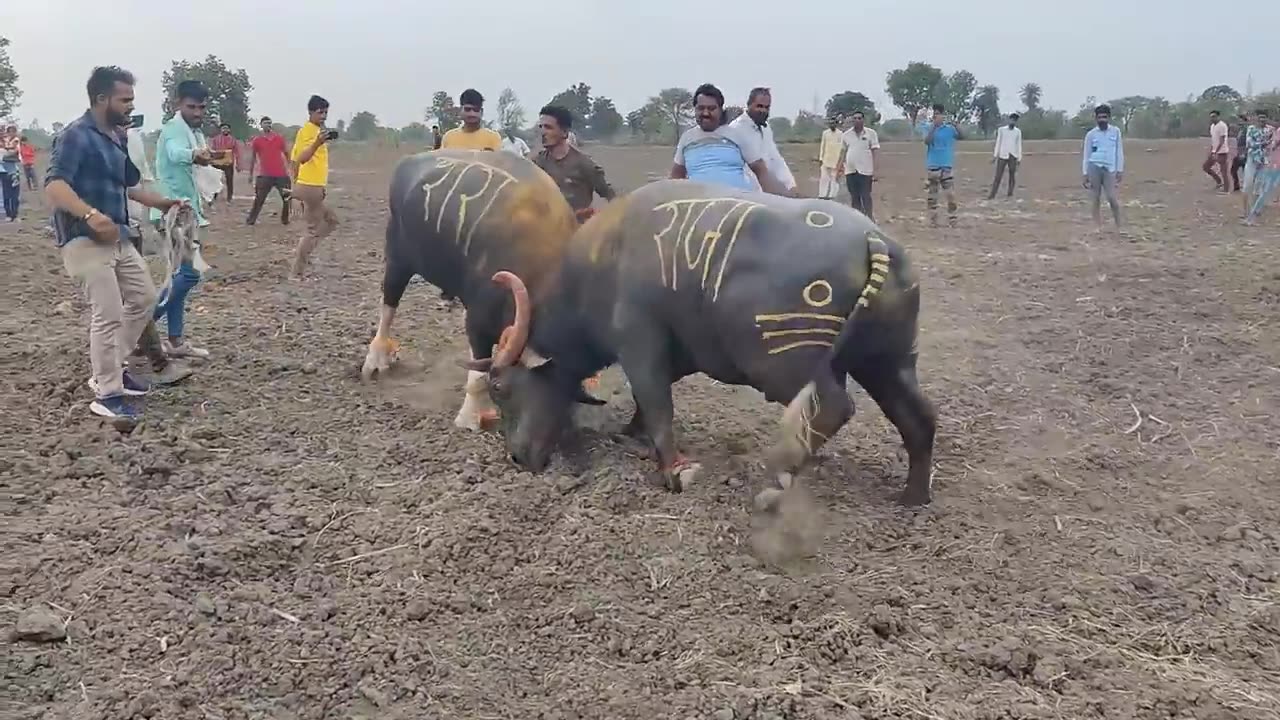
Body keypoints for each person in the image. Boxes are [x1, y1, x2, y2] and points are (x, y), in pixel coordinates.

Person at [45, 66, 186, 419]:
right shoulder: (75, 135)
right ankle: (107, 394)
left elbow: (125, 186)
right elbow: (54, 186)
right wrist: (91, 216)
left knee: (144, 298)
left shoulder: (116, 135)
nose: (130, 106)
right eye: (125, 99)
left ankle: (109, 368)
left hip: (118, 235)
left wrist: (161, 202)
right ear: (101, 99)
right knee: (107, 313)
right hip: (84, 237)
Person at [123, 113, 195, 387]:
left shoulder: (128, 140)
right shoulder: (97, 143)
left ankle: (152, 355)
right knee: (131, 299)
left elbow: (133, 187)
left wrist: (163, 204)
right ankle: (145, 364)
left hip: (129, 225)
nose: (129, 114)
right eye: (123, 103)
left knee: (137, 296)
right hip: (105, 231)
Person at [152, 79, 214, 359]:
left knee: (180, 277)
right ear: (178, 105)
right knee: (188, 275)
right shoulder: (174, 129)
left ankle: (175, 342)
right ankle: (140, 325)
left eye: (201, 107)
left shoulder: (192, 132)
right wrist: (194, 155)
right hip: (172, 213)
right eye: (191, 107)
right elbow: (176, 154)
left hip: (186, 213)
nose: (197, 112)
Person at [670, 83, 788, 195]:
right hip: (701, 207)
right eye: (701, 108)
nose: (705, 113)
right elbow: (675, 178)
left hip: (736, 206)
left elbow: (761, 172)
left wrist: (782, 200)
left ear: (720, 110)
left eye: (711, 108)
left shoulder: (736, 134)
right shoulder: (687, 139)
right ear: (695, 110)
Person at [533, 104, 615, 223]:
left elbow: (610, 194)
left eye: (548, 127)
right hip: (546, 232)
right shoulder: (537, 163)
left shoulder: (584, 164)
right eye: (540, 127)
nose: (542, 132)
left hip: (578, 233)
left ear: (564, 132)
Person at [289, 94, 340, 279]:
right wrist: (317, 143)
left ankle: (305, 255)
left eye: (326, 112)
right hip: (310, 187)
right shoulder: (308, 132)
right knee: (313, 230)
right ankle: (297, 270)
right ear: (310, 112)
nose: (324, 116)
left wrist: (295, 186)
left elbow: (294, 161)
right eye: (320, 112)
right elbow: (301, 158)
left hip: (312, 186)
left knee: (331, 221)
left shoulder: (316, 131)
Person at [730, 87, 797, 195]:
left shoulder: (766, 128)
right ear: (749, 104)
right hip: (748, 193)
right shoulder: (736, 129)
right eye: (759, 106)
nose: (763, 111)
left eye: (767, 107)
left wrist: (790, 185)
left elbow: (776, 159)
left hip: (769, 190)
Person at [1082, 103, 1124, 230]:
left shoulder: (1115, 132)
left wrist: (1120, 169)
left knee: (1112, 198)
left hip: (1110, 169)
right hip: (1094, 167)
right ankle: (1097, 226)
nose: (1102, 120)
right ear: (1096, 118)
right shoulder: (1091, 134)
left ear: (1109, 118)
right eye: (1099, 117)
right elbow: (1086, 154)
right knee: (1095, 198)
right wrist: (1085, 173)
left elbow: (1119, 151)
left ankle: (1119, 226)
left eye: (1104, 117)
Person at [246, 115, 292, 225]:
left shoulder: (279, 138)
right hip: (265, 175)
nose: (268, 125)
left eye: (269, 123)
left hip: (280, 174)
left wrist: (290, 168)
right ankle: (251, 220)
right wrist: (250, 174)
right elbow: (253, 158)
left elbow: (286, 154)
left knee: (287, 197)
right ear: (261, 125)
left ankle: (285, 219)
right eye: (265, 123)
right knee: (259, 199)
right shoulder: (257, 141)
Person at [834, 110, 879, 220]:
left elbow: (874, 152)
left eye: (859, 118)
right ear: (852, 120)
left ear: (863, 120)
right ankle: (857, 219)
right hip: (850, 170)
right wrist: (838, 169)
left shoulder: (871, 133)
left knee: (866, 196)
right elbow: (843, 153)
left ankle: (869, 218)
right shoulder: (846, 135)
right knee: (854, 197)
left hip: (866, 170)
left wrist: (876, 170)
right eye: (855, 118)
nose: (857, 120)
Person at [924, 104, 962, 227]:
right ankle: (933, 219)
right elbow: (927, 141)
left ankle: (953, 218)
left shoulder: (949, 129)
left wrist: (957, 125)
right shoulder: (928, 127)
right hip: (933, 165)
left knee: (950, 194)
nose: (937, 116)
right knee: (933, 195)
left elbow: (962, 136)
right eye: (935, 114)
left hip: (946, 165)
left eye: (939, 113)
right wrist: (934, 127)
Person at [1245, 119, 1280, 226]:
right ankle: (1252, 216)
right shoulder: (1277, 132)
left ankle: (1252, 216)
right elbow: (1273, 145)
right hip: (1275, 164)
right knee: (1266, 190)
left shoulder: (1274, 131)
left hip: (1273, 163)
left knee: (1266, 190)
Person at [1243, 110, 1274, 216]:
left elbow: (1272, 144)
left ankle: (1256, 209)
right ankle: (1246, 210)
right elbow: (1250, 143)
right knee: (1247, 184)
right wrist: (1264, 143)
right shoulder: (1251, 129)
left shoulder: (1270, 130)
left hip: (1264, 159)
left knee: (1259, 185)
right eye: (1260, 117)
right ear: (1256, 118)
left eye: (1264, 117)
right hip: (1252, 159)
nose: (1262, 119)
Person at [988, 113, 1023, 200]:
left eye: (1014, 120)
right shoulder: (1002, 130)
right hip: (1003, 155)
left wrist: (1019, 157)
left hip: (1013, 155)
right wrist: (995, 155)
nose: (1013, 121)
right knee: (998, 176)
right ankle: (992, 195)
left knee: (1012, 176)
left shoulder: (1017, 132)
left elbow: (1019, 145)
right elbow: (998, 142)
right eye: (1012, 119)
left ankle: (1010, 194)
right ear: (1009, 120)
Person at [209, 122, 239, 205]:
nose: (225, 130)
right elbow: (212, 151)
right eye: (223, 128)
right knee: (215, 180)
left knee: (229, 180)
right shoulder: (215, 139)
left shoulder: (233, 140)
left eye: (226, 128)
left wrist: (238, 164)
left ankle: (229, 197)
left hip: (228, 163)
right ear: (220, 130)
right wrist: (211, 161)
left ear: (229, 130)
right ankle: (214, 196)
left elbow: (237, 152)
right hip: (218, 163)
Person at [1203, 110, 1230, 192]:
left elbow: (1222, 140)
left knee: (1223, 171)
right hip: (1215, 151)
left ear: (1218, 116)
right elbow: (1214, 140)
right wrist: (1212, 151)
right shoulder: (1212, 126)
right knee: (1206, 167)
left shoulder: (1222, 126)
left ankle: (1226, 189)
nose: (1212, 118)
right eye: (1211, 117)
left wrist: (1216, 151)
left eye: (1214, 116)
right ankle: (1219, 182)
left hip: (1222, 152)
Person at [816, 116, 843, 200]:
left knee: (834, 179)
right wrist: (821, 158)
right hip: (826, 159)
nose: (832, 124)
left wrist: (841, 162)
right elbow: (822, 146)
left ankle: (832, 196)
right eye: (830, 123)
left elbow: (842, 148)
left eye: (833, 123)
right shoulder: (825, 133)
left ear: (836, 124)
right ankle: (822, 195)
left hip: (836, 160)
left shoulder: (840, 134)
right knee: (824, 178)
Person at [1, 125, 20, 221]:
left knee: (15, 195)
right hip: (4, 171)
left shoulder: (15, 140)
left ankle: (15, 214)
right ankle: (9, 214)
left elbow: (14, 151)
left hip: (14, 170)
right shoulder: (6, 142)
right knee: (6, 194)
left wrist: (6, 150)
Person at [1230, 114, 1249, 193]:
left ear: (1244, 121)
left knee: (1243, 171)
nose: (1239, 121)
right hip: (1240, 152)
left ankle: (1244, 187)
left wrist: (1244, 153)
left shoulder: (1246, 129)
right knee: (1235, 170)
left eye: (1240, 120)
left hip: (1244, 152)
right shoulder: (1241, 129)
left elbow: (1248, 142)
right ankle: (1237, 186)